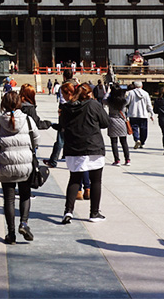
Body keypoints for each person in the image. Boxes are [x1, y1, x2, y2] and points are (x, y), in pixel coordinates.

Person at [0, 91, 40, 243]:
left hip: (5, 166)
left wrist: (0, 154)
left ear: (3, 104)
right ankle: (24, 223)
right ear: (19, 103)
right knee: (25, 194)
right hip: (25, 166)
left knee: (8, 199)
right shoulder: (28, 120)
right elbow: (36, 139)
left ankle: (11, 234)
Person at [59, 82, 109, 224]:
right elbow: (105, 122)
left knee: (74, 179)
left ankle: (68, 211)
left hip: (74, 147)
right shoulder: (93, 105)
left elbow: (62, 125)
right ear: (89, 94)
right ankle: (94, 212)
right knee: (96, 180)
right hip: (93, 145)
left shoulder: (66, 107)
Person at [124, 80, 154, 149]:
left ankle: (137, 139)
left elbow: (126, 102)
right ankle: (142, 142)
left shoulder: (131, 93)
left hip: (133, 114)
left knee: (134, 128)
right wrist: (152, 113)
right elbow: (149, 105)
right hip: (143, 114)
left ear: (134, 86)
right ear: (142, 86)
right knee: (144, 129)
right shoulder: (146, 93)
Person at [106, 86, 131, 166]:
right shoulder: (124, 101)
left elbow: (103, 99)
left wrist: (107, 92)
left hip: (112, 121)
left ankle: (117, 160)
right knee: (124, 142)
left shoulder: (109, 101)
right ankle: (127, 159)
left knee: (114, 142)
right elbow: (129, 98)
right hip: (122, 121)